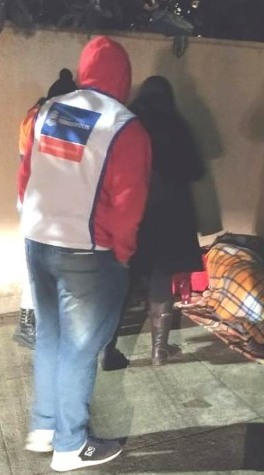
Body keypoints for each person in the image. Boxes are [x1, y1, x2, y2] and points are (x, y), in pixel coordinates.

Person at [18, 36, 151, 472]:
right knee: (80, 348)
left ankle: (44, 427)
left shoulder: (47, 111)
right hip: (88, 253)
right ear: (123, 77)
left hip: (38, 241)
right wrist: (123, 253)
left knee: (51, 337)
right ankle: (71, 444)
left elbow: (26, 174)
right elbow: (128, 201)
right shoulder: (124, 125)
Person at [102, 76, 206, 370]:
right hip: (170, 216)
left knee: (122, 284)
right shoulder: (176, 125)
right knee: (162, 282)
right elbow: (196, 170)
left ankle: (107, 351)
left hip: (133, 213)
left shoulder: (126, 125)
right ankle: (159, 352)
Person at [13, 68, 78, 349]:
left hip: (31, 198)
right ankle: (30, 323)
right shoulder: (54, 120)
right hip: (47, 200)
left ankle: (32, 322)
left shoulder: (32, 117)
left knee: (36, 262)